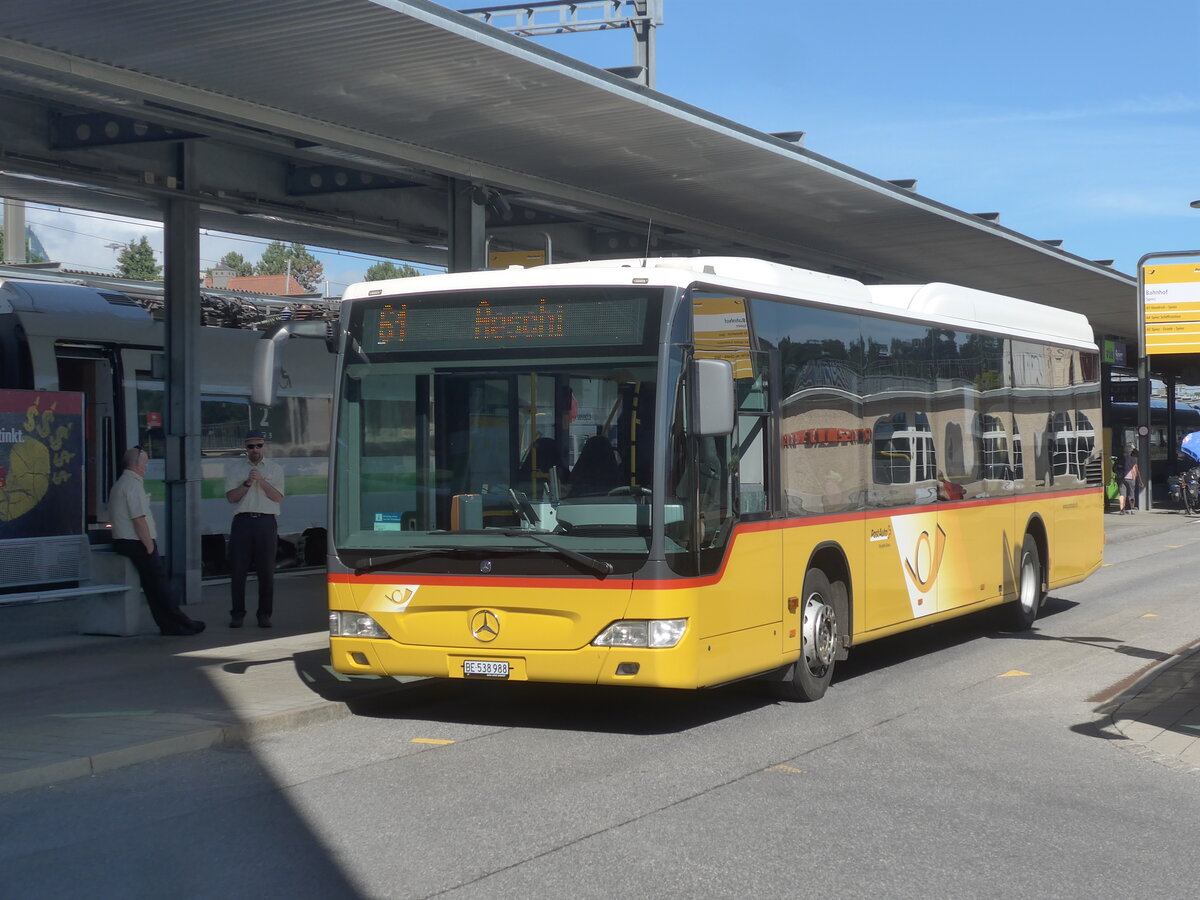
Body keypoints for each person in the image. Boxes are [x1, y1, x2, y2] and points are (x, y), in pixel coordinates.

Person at [109, 446, 206, 636]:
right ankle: (182, 621)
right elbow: (138, 519)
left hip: (126, 541)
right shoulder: (133, 485)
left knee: (152, 586)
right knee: (159, 585)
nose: (146, 467)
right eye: (145, 463)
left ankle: (169, 625)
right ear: (137, 465)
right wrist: (149, 545)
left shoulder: (121, 483)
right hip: (137, 542)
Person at [224, 429, 285, 627]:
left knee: (266, 571)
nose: (255, 450)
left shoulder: (275, 469)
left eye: (259, 445)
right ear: (246, 448)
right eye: (251, 446)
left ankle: (264, 614)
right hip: (243, 522)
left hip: (266, 522)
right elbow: (231, 497)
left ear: (264, 447)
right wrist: (248, 483)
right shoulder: (235, 469)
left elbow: (278, 497)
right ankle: (237, 614)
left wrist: (261, 481)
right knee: (238, 570)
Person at [1120, 448, 1143, 514]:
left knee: (1122, 495)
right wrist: (1140, 481)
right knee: (1131, 495)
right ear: (1135, 455)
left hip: (1122, 478)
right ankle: (1132, 509)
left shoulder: (1124, 459)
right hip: (1131, 479)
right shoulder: (1134, 460)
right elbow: (1137, 471)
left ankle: (1122, 510)